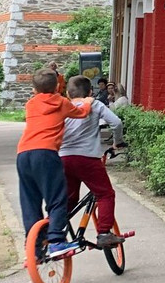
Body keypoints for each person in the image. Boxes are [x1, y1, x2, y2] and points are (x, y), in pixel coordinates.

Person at [16, 68, 91, 256]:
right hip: (46, 153)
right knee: (57, 198)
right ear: (58, 86)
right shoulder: (61, 102)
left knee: (30, 200)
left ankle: (35, 246)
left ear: (33, 90)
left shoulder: (31, 104)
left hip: (23, 154)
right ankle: (56, 239)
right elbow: (81, 113)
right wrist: (88, 102)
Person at [60, 76, 125, 249]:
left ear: (68, 93)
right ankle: (104, 233)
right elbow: (116, 123)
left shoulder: (63, 106)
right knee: (105, 194)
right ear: (90, 92)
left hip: (63, 158)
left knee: (69, 199)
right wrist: (117, 142)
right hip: (87, 159)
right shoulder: (95, 104)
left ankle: (52, 231)